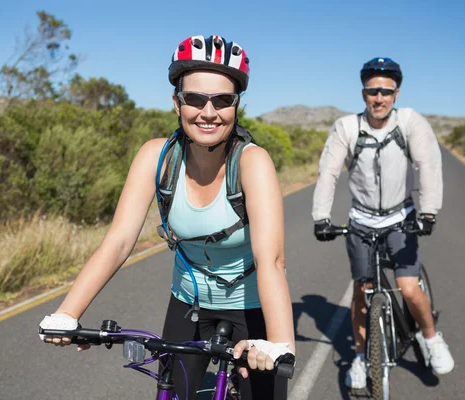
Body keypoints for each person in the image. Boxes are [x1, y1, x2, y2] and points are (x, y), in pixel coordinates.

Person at [38, 34, 295, 400]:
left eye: (223, 100)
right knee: (171, 393)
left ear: (236, 106)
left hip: (250, 306)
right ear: (177, 103)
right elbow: (119, 241)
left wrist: (281, 342)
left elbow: (271, 261)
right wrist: (68, 313)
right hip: (188, 304)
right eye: (195, 98)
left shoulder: (253, 163)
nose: (209, 112)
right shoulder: (156, 158)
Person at [311, 57, 454, 389]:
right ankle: (361, 359)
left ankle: (431, 339)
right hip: (361, 221)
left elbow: (428, 165)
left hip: (399, 218)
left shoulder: (410, 123)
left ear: (396, 93)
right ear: (363, 93)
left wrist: (429, 211)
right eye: (372, 91)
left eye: (386, 92)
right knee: (362, 291)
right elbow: (328, 172)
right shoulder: (347, 127)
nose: (379, 98)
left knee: (407, 287)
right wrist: (321, 217)